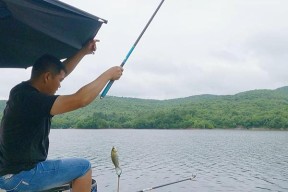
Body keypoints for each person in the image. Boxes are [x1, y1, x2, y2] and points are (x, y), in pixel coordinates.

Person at [0, 39, 123, 192]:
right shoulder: (32, 100)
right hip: (21, 177)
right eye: (59, 81)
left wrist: (83, 51)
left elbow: (60, 70)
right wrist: (108, 74)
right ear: (46, 77)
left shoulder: (20, 92)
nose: (59, 85)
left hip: (9, 175)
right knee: (83, 167)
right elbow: (80, 100)